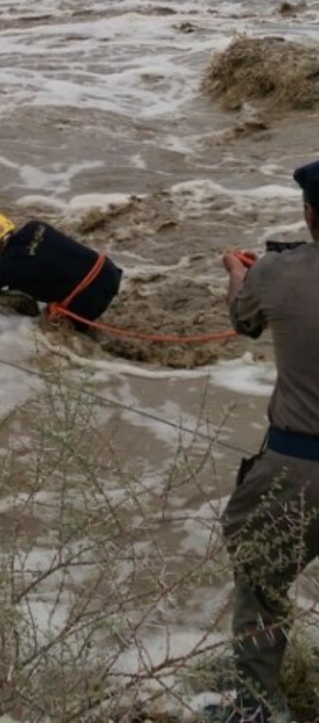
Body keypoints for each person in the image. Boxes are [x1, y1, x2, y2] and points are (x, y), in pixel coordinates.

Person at [209, 159, 319, 723]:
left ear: (309, 212)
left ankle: (257, 707)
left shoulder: (275, 271)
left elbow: (242, 320)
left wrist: (238, 271)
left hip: (300, 465)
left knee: (260, 576)